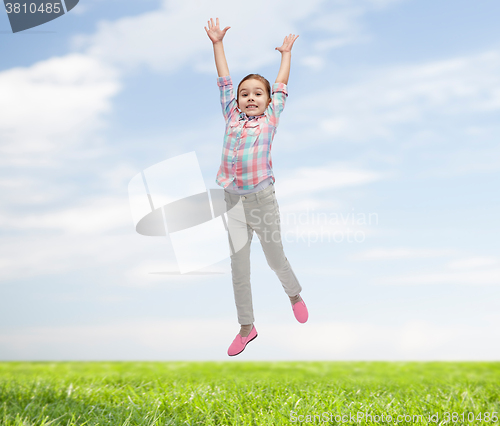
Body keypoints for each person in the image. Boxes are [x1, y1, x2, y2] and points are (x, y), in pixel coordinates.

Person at [205, 17, 308, 356]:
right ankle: (246, 327)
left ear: (268, 100)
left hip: (262, 200)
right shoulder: (231, 115)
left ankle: (293, 294)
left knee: (275, 260)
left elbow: (280, 83)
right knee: (239, 268)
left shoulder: (271, 118)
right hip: (232, 201)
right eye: (244, 94)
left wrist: (286, 55)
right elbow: (223, 79)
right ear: (236, 101)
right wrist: (218, 44)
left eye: (257, 94)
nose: (250, 98)